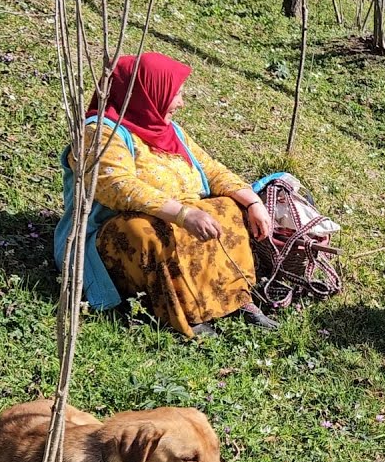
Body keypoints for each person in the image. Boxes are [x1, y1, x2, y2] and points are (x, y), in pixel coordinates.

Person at [54, 52, 278, 337]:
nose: (181, 103)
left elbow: (212, 169)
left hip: (175, 218)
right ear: (147, 92)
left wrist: (253, 202)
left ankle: (235, 299)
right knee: (142, 230)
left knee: (228, 209)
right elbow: (117, 186)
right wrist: (183, 214)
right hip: (109, 234)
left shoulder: (169, 131)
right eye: (176, 94)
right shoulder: (99, 133)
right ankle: (181, 314)